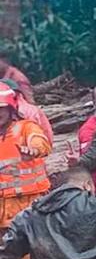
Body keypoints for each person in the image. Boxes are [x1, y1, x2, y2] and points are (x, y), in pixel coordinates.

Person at [0, 82, 51, 234]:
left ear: (10, 108)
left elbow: (40, 142)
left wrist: (34, 150)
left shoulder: (26, 128)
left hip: (28, 205)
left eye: (1, 108)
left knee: (28, 252)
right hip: (3, 208)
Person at [0, 78, 53, 143]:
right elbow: (48, 134)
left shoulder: (27, 116)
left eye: (1, 108)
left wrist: (36, 146)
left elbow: (41, 137)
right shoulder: (33, 109)